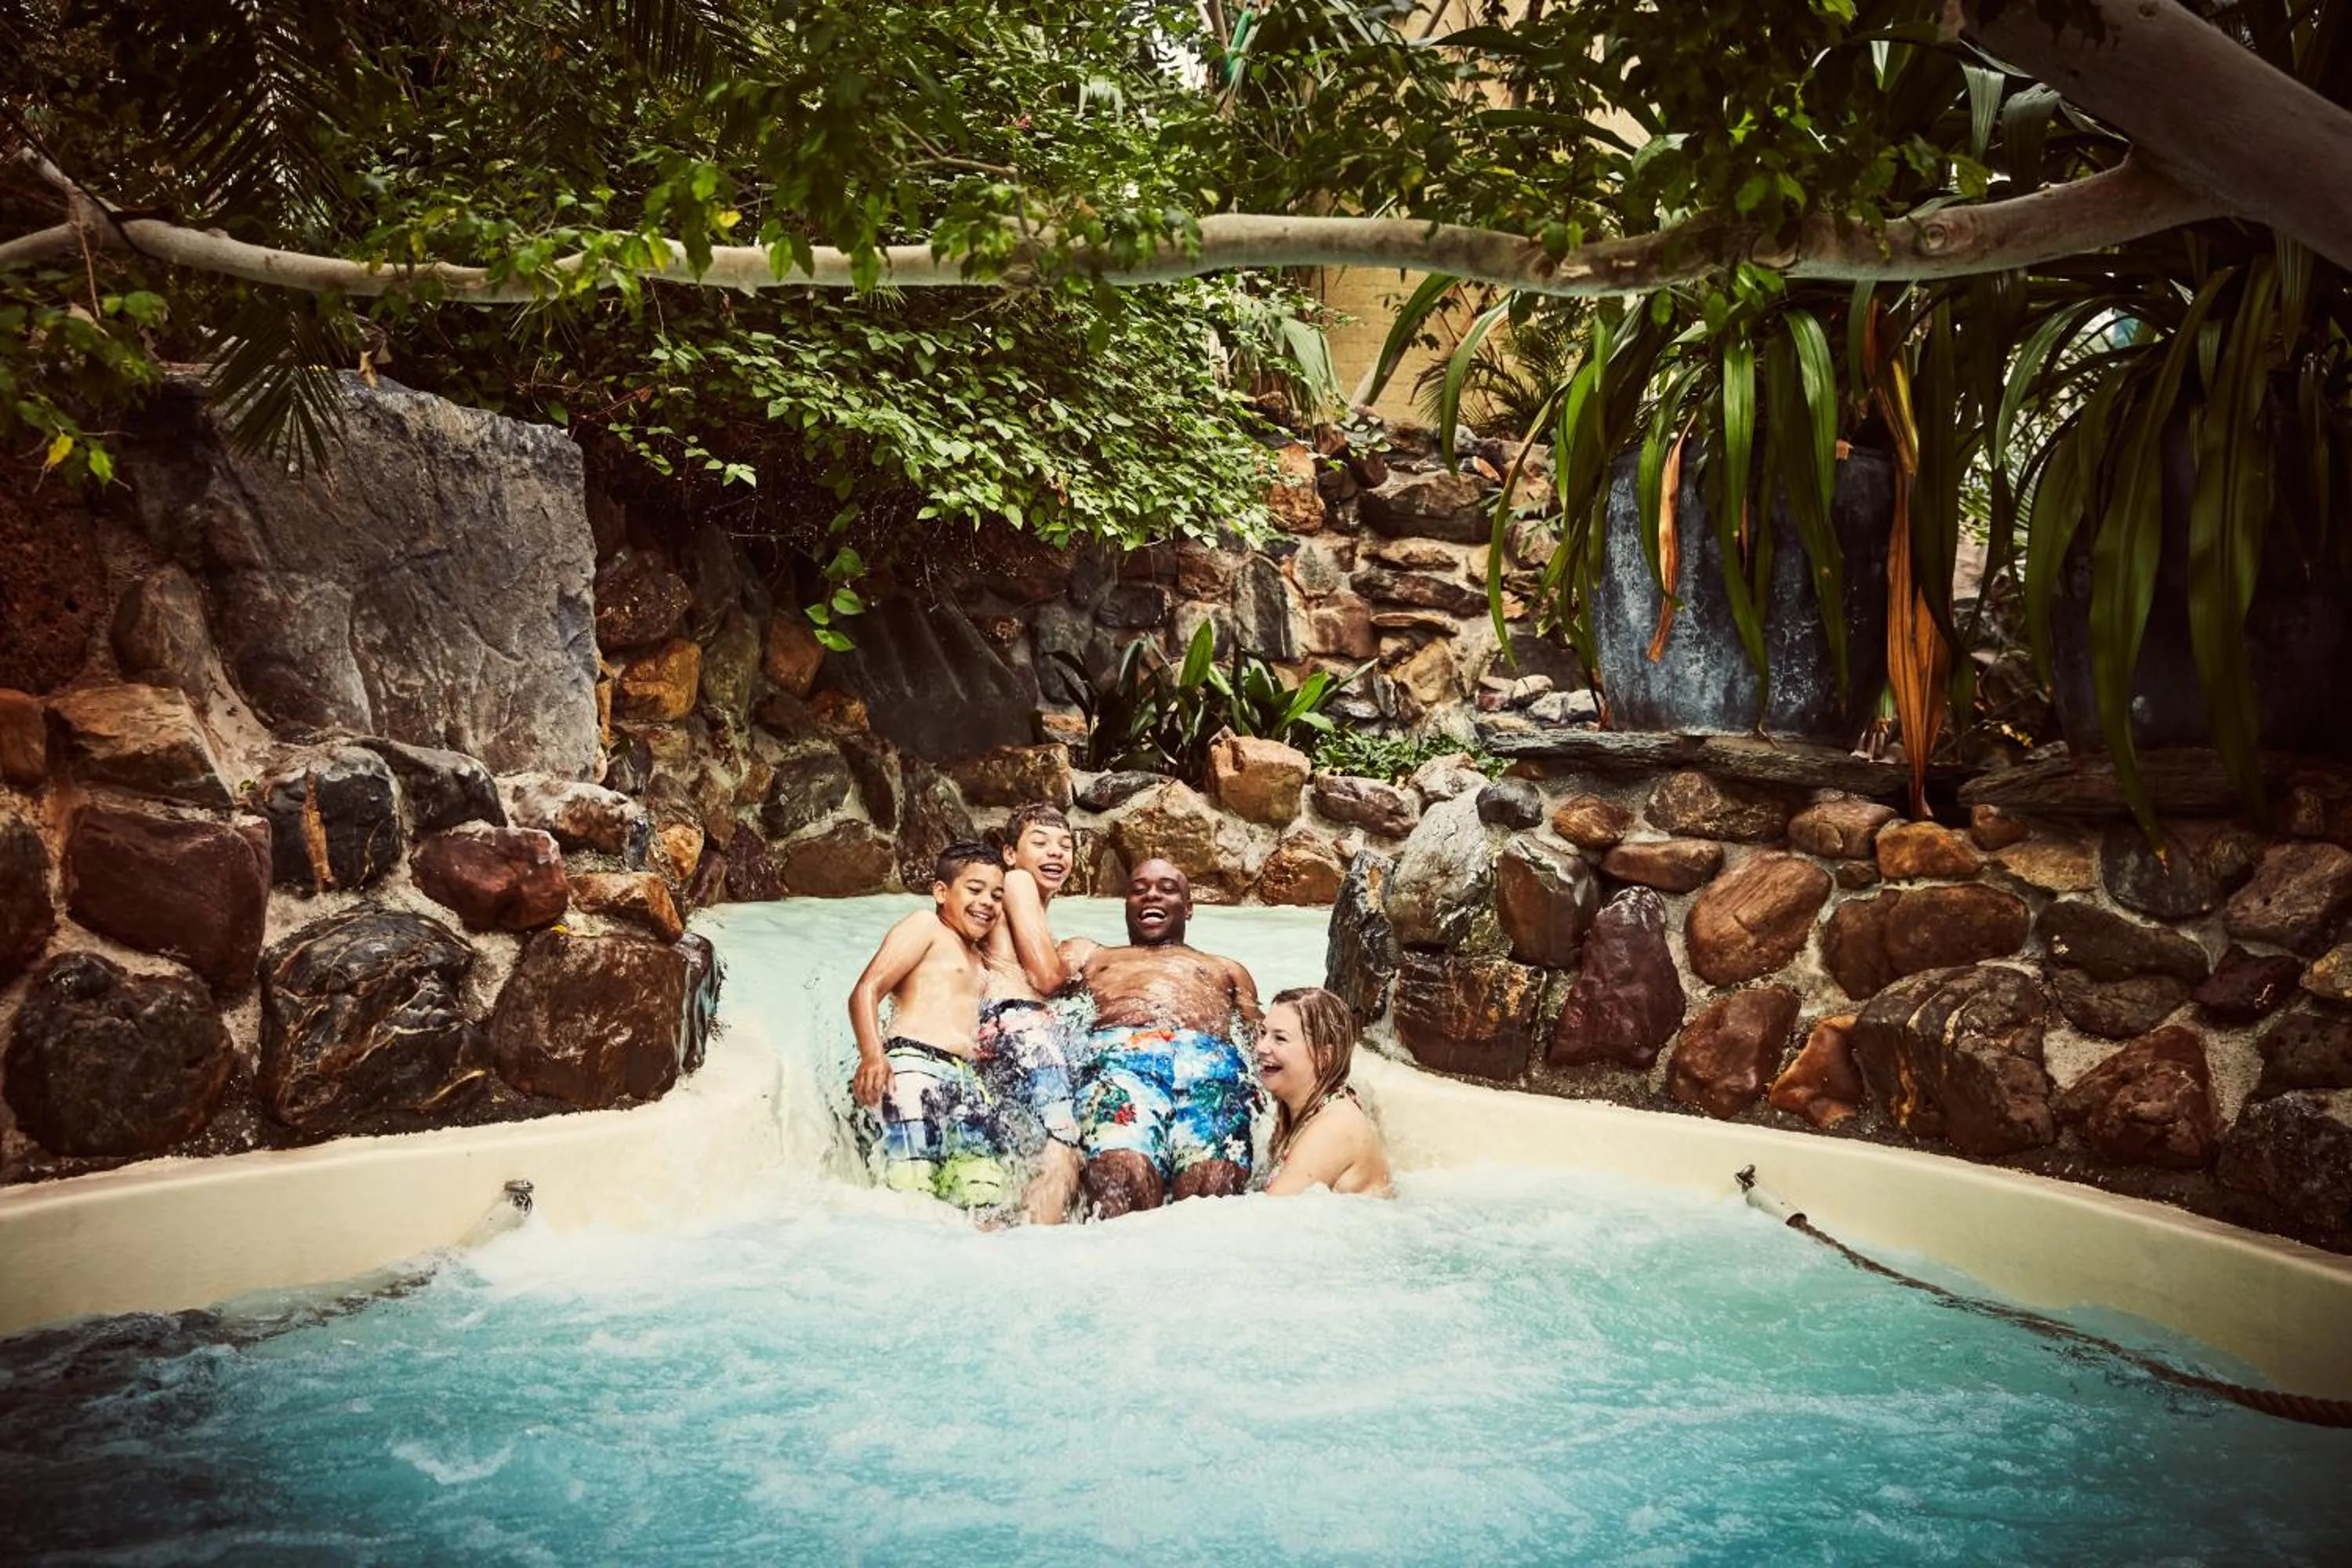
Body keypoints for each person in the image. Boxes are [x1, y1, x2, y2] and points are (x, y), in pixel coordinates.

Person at [1063, 858, 1263, 1218]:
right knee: (1123, 1178)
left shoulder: (1226, 969)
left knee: (1213, 1191)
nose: (1150, 895)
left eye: (1166, 889)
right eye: (1138, 890)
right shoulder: (1093, 957)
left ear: (1188, 909)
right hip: (1122, 1067)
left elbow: (1262, 1041)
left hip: (1212, 1073)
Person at [846, 841, 1014, 1210]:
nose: (987, 901)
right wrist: (873, 1056)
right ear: (941, 892)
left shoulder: (981, 958)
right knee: (912, 1187)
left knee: (984, 1193)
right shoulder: (927, 927)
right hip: (911, 1065)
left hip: (966, 1080)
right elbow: (866, 990)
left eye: (997, 895)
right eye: (974, 889)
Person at [975, 801, 1084, 1224]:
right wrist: (1077, 958)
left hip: (994, 1029)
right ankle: (1040, 1251)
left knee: (1018, 1162)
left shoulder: (1018, 903)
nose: (1056, 853)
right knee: (1063, 1145)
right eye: (1040, 843)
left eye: (1065, 845)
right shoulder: (1017, 882)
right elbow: (1045, 977)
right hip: (1020, 1022)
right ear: (1009, 854)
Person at [1256, 986, 1392, 1198]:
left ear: (1324, 1057)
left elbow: (1271, 1215)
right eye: (1262, 1033)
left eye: (1280, 1039)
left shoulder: (1335, 1127)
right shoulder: (1306, 1109)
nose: (1261, 1047)